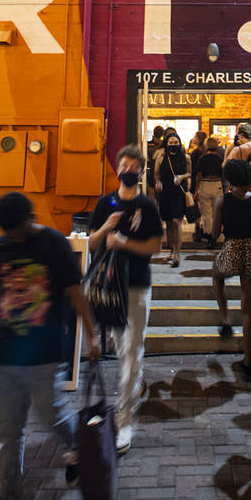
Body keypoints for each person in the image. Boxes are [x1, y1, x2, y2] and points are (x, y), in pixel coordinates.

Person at [0, 192, 100, 500]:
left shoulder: (54, 245)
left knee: (53, 415)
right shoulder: (0, 247)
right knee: (8, 434)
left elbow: (76, 294)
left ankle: (79, 446)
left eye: (16, 230)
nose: (13, 237)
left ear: (28, 220)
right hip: (3, 356)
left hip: (43, 355)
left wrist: (92, 337)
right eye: (8, 231)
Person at [88, 145, 164, 454]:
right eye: (124, 163)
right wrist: (107, 227)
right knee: (123, 350)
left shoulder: (148, 205)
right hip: (109, 289)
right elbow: (91, 242)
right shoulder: (105, 203)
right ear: (118, 168)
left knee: (132, 352)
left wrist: (124, 242)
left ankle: (125, 419)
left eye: (134, 165)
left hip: (136, 286)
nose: (128, 169)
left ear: (142, 172)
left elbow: (155, 247)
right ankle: (136, 383)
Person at [211, 159, 251, 381]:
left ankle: (224, 318)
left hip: (232, 249)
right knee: (248, 309)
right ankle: (246, 360)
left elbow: (215, 233)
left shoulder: (222, 201)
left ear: (229, 180)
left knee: (216, 276)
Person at [152, 132, 190, 268]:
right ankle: (172, 250)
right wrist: (157, 182)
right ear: (166, 144)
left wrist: (182, 177)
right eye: (171, 143)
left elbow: (190, 172)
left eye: (176, 142)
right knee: (168, 222)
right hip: (165, 192)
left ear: (179, 143)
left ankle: (178, 254)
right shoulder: (161, 157)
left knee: (176, 221)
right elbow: (156, 173)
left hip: (179, 192)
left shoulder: (185, 157)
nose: (173, 145)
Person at [194, 137, 225, 247]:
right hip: (217, 185)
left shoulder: (202, 158)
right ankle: (216, 234)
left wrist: (197, 189)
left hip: (205, 184)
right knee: (217, 212)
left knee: (206, 213)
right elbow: (223, 175)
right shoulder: (220, 159)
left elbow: (198, 175)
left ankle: (209, 236)